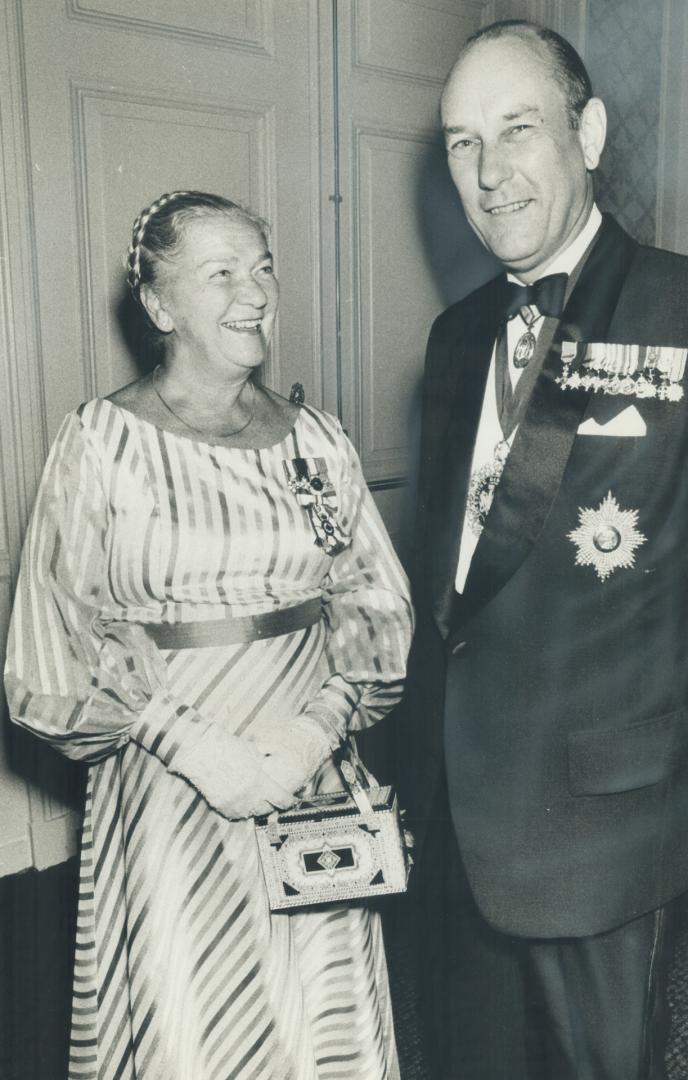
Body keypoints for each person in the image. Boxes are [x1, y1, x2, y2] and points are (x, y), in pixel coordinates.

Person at [406, 19, 688, 1080]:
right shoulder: (454, 337)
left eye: (516, 129)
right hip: (462, 799)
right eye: (461, 142)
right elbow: (452, 580)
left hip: (613, 816)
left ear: (590, 132)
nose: (487, 171)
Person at [4, 190, 413, 1080]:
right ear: (159, 307)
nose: (255, 292)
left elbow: (373, 601)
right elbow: (53, 641)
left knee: (317, 1023)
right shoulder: (100, 444)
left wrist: (315, 730)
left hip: (309, 777)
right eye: (220, 273)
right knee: (193, 1022)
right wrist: (193, 747)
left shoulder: (318, 441)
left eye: (261, 266)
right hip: (169, 792)